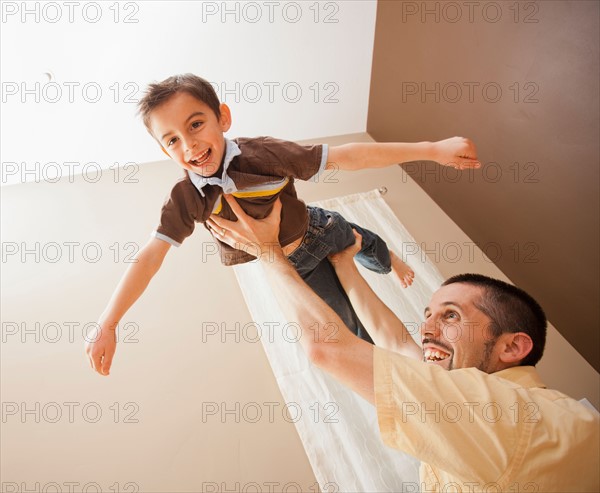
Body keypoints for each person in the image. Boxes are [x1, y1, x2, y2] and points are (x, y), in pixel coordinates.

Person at [86, 73, 480, 374]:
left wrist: (432, 150)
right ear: (162, 150)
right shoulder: (186, 198)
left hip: (319, 228)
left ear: (222, 117)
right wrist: (109, 322)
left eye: (195, 125)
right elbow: (151, 256)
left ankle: (388, 258)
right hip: (296, 266)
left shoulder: (263, 153)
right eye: (171, 140)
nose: (188, 145)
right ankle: (413, 382)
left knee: (367, 245)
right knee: (348, 331)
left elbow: (347, 156)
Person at [208, 194, 600, 492]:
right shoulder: (489, 407)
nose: (427, 329)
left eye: (450, 316)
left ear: (512, 348)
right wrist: (345, 265)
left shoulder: (515, 416)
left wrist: (268, 254)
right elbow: (396, 341)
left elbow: (326, 348)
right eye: (428, 314)